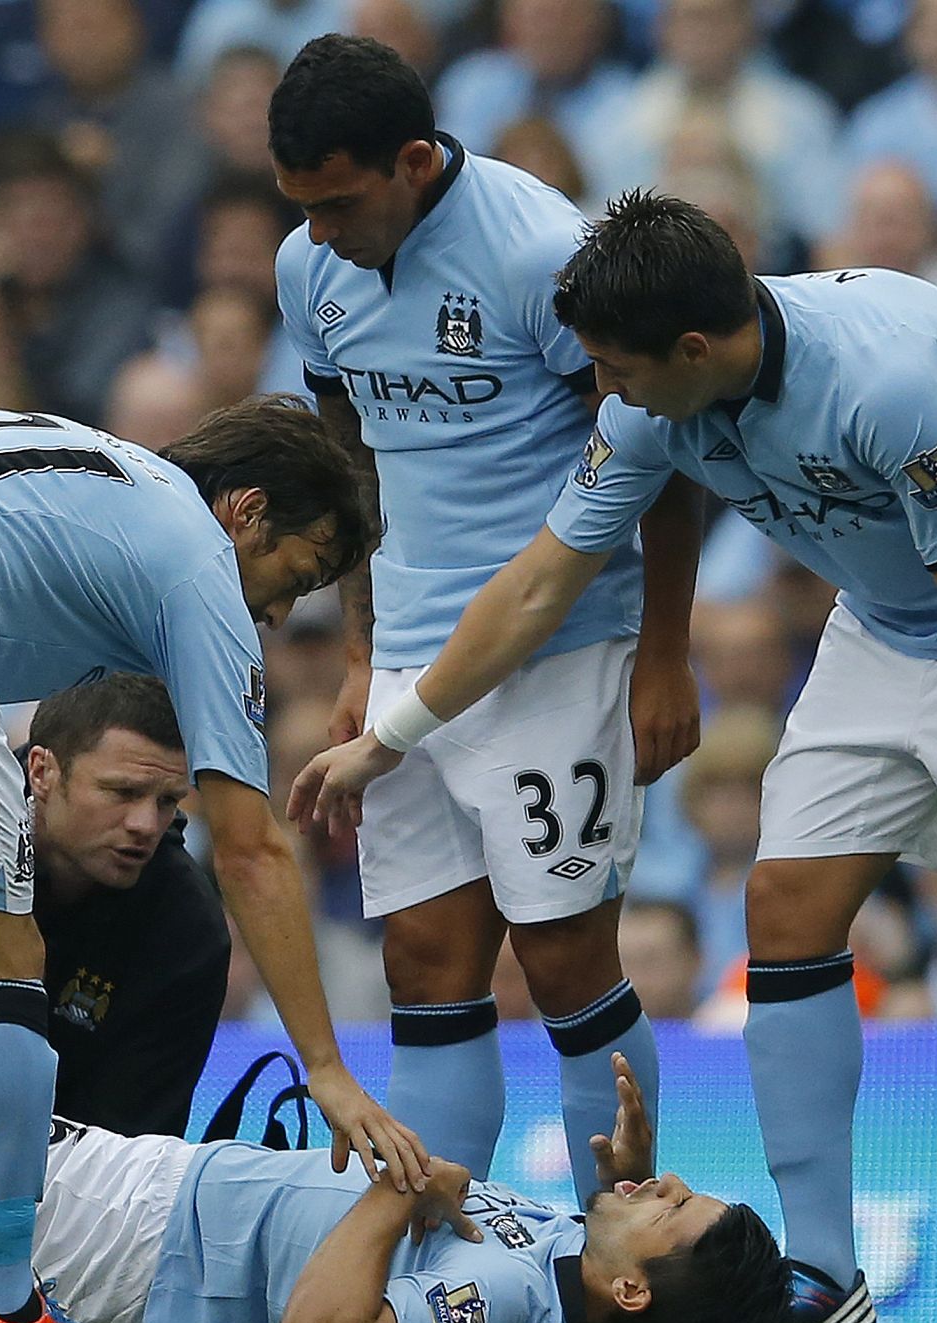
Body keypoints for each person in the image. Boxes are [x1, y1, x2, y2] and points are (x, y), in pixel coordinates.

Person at [296, 192, 937, 1323]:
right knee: (783, 906)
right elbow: (541, 580)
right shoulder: (652, 410)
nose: (601, 391)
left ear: (691, 349)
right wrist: (386, 735)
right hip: (889, 614)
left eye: (612, 368)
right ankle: (822, 1270)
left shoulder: (883, 382)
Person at [0, 395, 427, 1323]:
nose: (285, 610)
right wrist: (326, 1068)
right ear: (245, 511)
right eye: (302, 569)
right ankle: (6, 1306)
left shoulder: (94, 469)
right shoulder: (199, 561)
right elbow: (248, 848)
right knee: (0, 962)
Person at [271, 36, 701, 1203]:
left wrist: (663, 650)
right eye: (297, 207)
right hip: (412, 650)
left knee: (563, 961)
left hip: (560, 647)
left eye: (339, 203)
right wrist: (363, 652)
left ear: (414, 161)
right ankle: (436, 1259)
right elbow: (348, 463)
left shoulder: (538, 255)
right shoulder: (308, 270)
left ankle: (621, 1247)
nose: (318, 234)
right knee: (423, 965)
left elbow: (659, 444)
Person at [0, 1055, 790, 1323]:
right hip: (158, 1189)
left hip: (143, 1241)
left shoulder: (499, 1304)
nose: (663, 1186)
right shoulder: (565, 1257)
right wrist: (625, 1183)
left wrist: (404, 1187)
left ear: (632, 1290)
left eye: (671, 1207)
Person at [0, 674, 229, 1139]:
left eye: (167, 801)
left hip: (55, 1184)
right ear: (42, 772)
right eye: (122, 792)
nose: (146, 824)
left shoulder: (187, 931)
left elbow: (131, 1152)